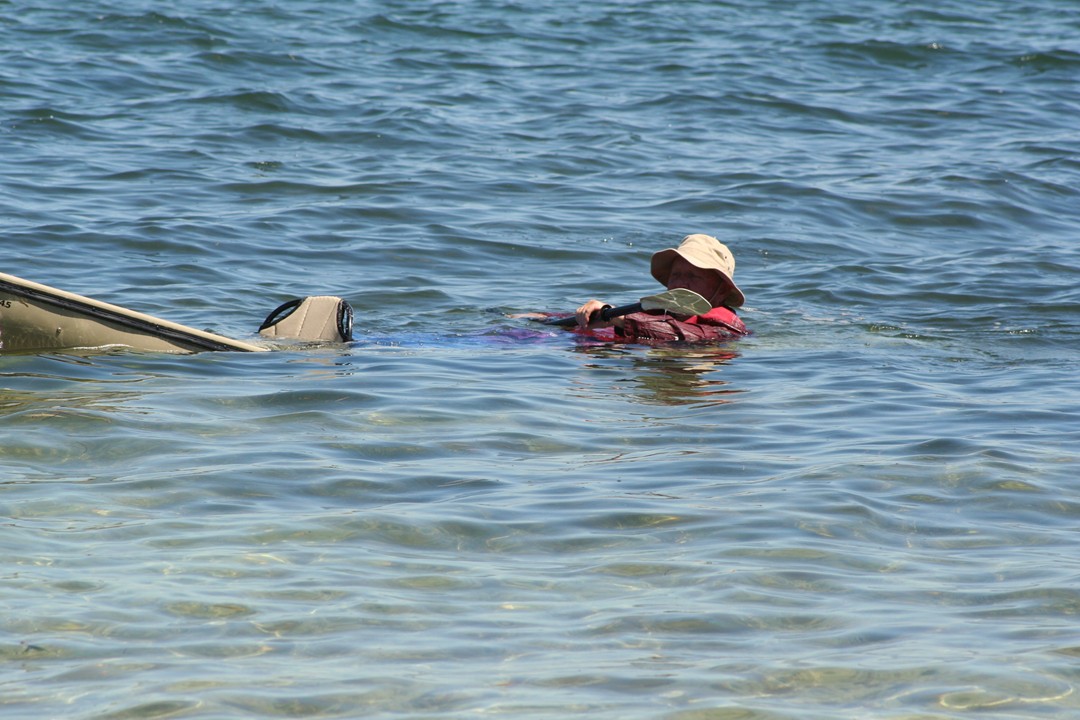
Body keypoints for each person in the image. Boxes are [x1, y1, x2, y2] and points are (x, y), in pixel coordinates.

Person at [573, 233, 749, 344]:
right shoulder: (656, 311)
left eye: (693, 276)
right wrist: (589, 315)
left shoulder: (727, 330)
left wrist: (618, 318)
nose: (680, 283)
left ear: (722, 291)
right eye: (676, 275)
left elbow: (689, 335)